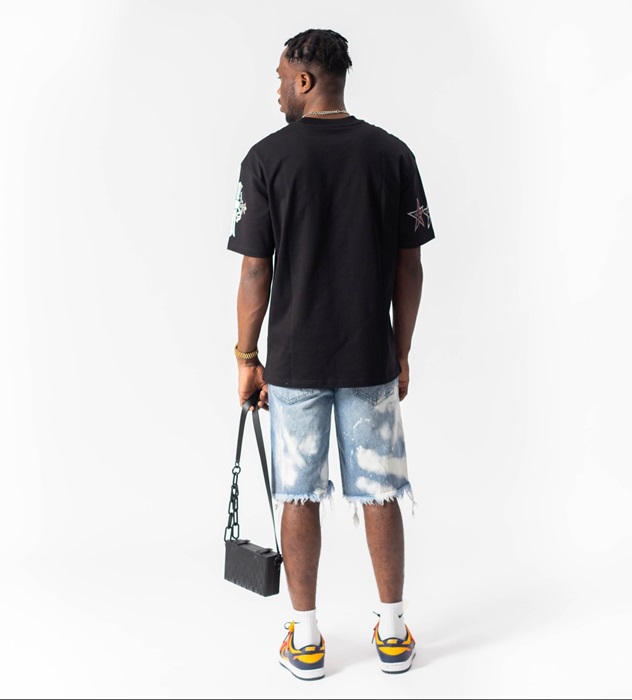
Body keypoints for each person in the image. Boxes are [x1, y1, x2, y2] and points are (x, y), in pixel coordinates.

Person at [227, 28, 434, 680]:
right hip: (370, 357)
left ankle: (308, 639)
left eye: (281, 76)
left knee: (298, 496)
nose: (277, 89)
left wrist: (246, 357)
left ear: (306, 81)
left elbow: (255, 271)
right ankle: (393, 633)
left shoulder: (267, 158)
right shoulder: (392, 154)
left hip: (295, 364)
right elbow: (409, 266)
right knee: (380, 493)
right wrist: (400, 350)